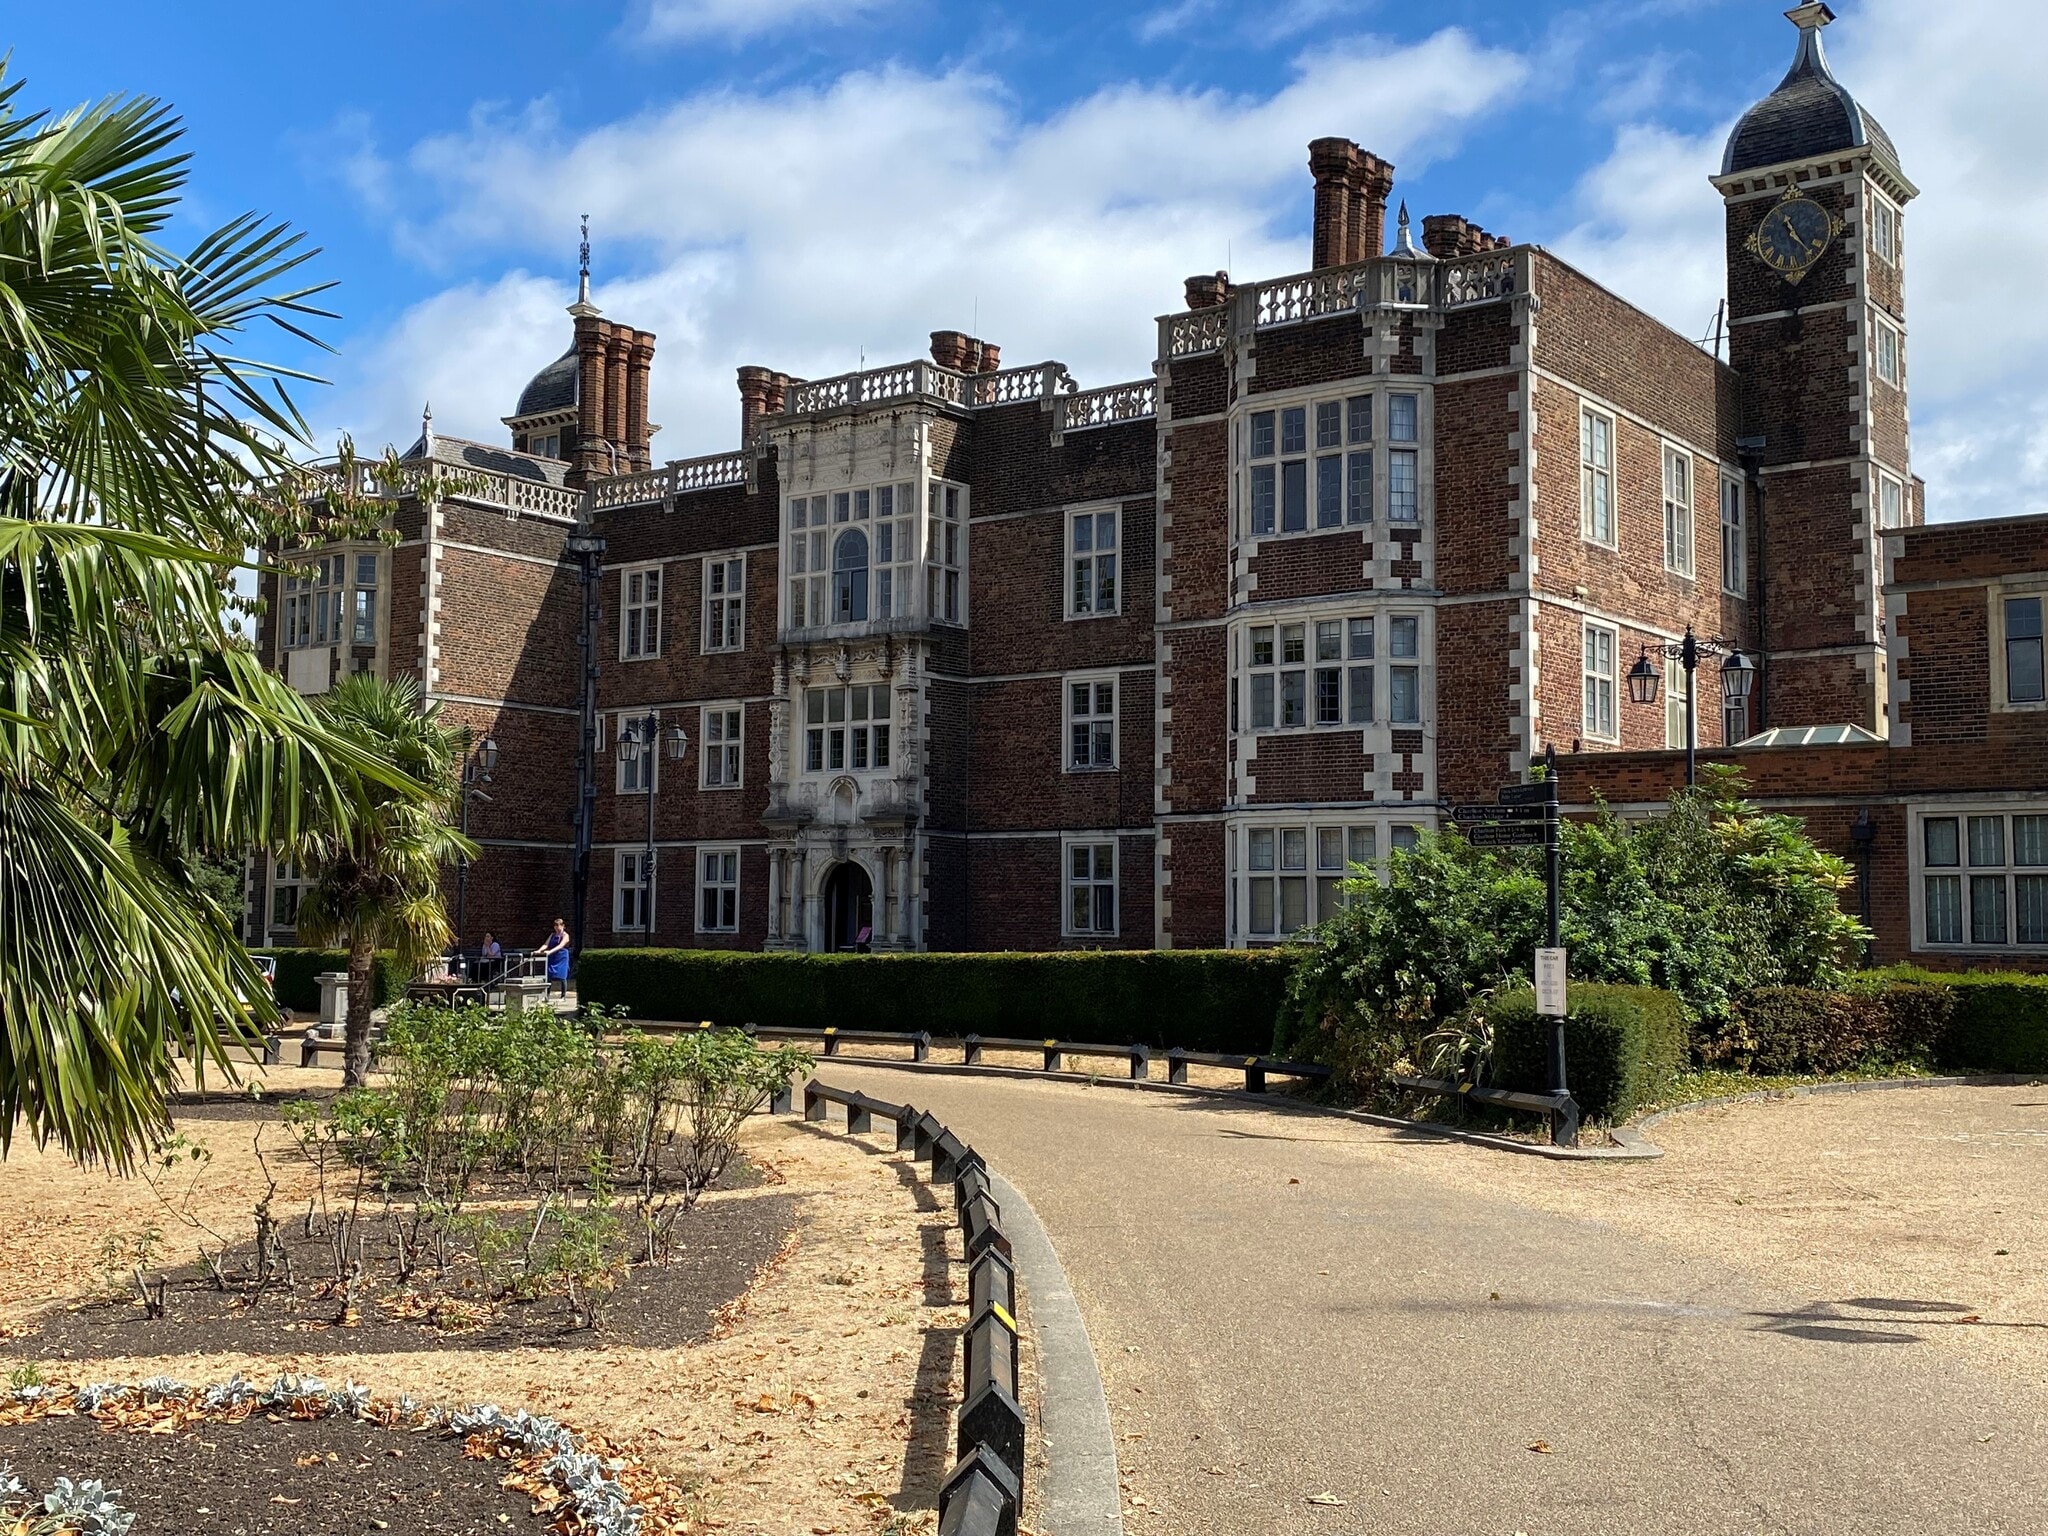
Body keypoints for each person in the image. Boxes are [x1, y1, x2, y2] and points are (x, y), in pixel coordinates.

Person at [539, 918, 572, 999]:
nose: (557, 927)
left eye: (559, 925)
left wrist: (550, 952)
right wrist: (539, 950)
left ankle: (563, 996)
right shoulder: (552, 935)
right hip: (553, 957)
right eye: (555, 925)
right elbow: (546, 944)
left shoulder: (565, 935)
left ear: (563, 926)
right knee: (549, 975)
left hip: (562, 957)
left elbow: (561, 945)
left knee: (562, 976)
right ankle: (546, 995)